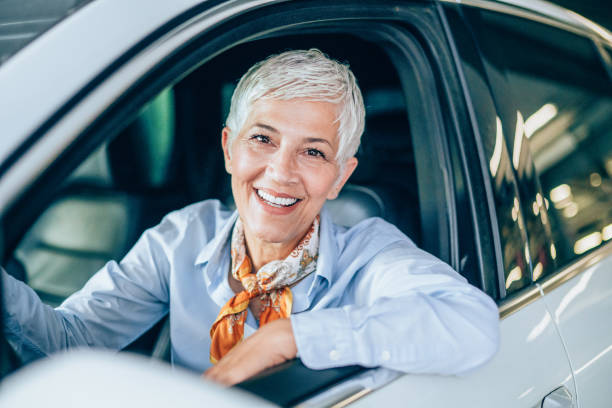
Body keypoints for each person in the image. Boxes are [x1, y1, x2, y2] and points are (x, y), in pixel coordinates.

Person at [2, 49, 499, 385]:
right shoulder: (181, 237)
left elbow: (472, 323)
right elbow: (70, 341)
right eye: (262, 139)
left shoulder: (368, 254)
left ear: (340, 176)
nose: (280, 173)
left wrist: (287, 338)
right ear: (228, 149)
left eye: (313, 152)